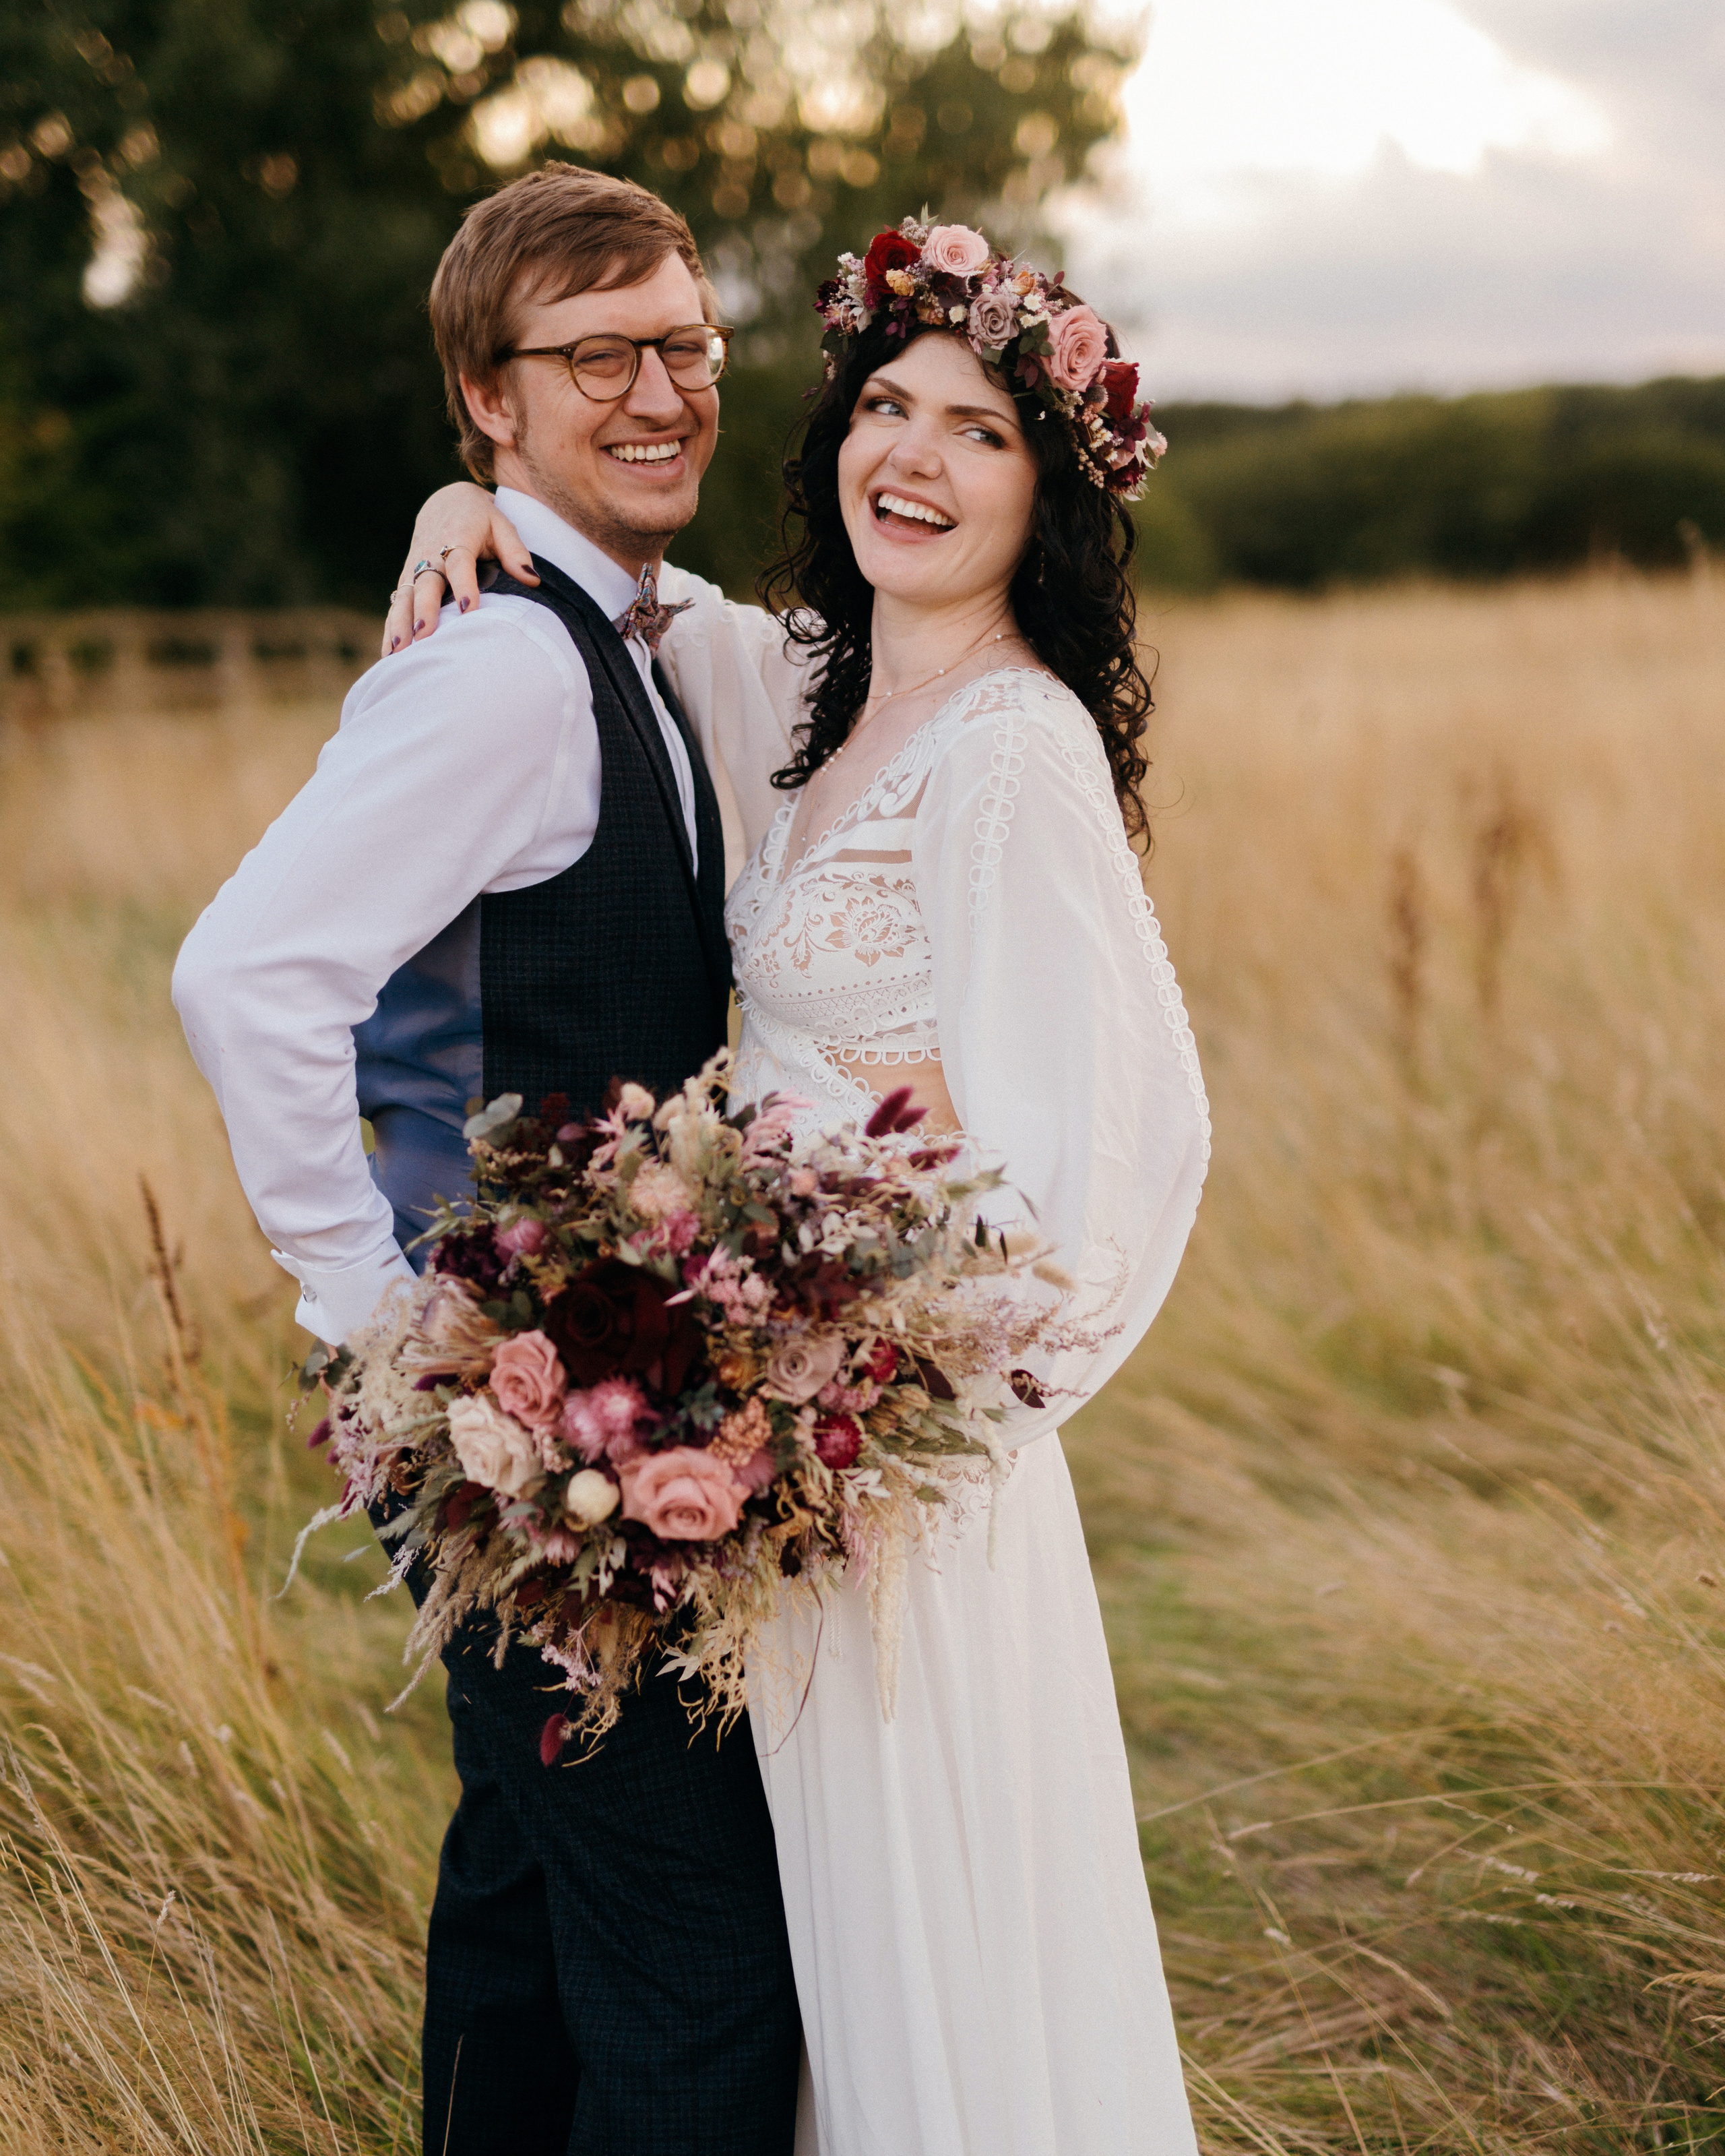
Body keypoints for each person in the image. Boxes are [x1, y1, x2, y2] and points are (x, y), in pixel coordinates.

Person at [389, 216, 1210, 2154]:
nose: (913, 459)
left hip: (885, 1485)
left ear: (1052, 494)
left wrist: (851, 1412)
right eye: (887, 408)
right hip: (771, 1454)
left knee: (921, 1955)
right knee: (800, 1955)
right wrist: (460, 498)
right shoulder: (811, 691)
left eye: (981, 433)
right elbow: (626, 591)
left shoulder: (1011, 748)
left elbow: (1111, 1162)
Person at [172, 166, 804, 2156]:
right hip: (524, 1436)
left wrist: (467, 508)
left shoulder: (634, 637)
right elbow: (247, 976)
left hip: (588, 1408)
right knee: (699, 1966)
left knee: (534, 1896)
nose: (662, 392)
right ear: (489, 392)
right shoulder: (510, 670)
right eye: (597, 355)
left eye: (685, 345)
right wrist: (378, 1329)